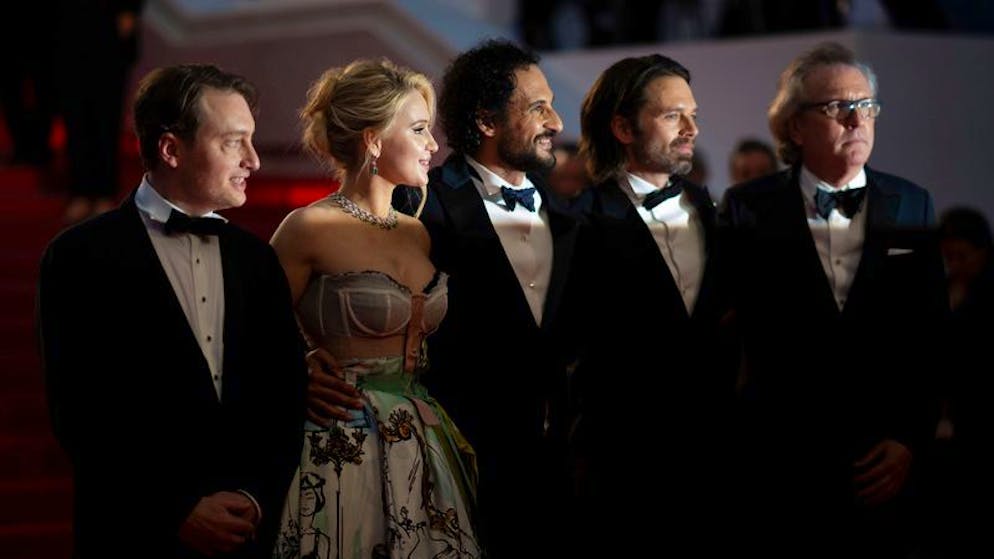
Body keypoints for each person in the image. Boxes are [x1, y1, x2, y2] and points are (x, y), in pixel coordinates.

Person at [310, 39, 580, 556]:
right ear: (486, 120)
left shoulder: (572, 217)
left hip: (556, 466)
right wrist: (306, 361)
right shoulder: (415, 201)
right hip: (448, 456)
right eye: (538, 107)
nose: (556, 123)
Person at [37, 64, 307, 558]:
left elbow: (283, 398)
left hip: (249, 534)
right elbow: (81, 411)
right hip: (132, 533)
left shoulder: (257, 260)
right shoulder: (79, 256)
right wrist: (176, 509)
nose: (253, 160)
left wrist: (254, 496)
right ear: (170, 149)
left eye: (251, 142)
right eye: (233, 142)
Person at [719, 42, 947, 556]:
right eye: (836, 107)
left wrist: (910, 437)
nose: (856, 119)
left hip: (883, 459)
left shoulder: (913, 202)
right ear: (795, 127)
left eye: (866, 106)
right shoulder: (747, 208)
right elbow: (730, 338)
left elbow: (932, 335)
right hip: (779, 464)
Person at [269, 59, 480, 559]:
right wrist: (300, 368)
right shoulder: (307, 228)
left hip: (423, 446)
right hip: (337, 446)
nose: (434, 145)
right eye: (421, 129)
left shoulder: (418, 232)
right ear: (374, 140)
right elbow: (253, 332)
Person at [570, 53, 736, 554]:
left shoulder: (713, 209)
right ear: (622, 126)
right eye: (671, 116)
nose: (690, 128)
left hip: (717, 461)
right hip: (622, 465)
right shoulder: (578, 222)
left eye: (693, 115)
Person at [55, 0, 145, 223]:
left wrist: (129, 10)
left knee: (105, 117)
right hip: (67, 32)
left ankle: (104, 191)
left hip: (108, 32)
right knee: (75, 118)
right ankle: (80, 191)